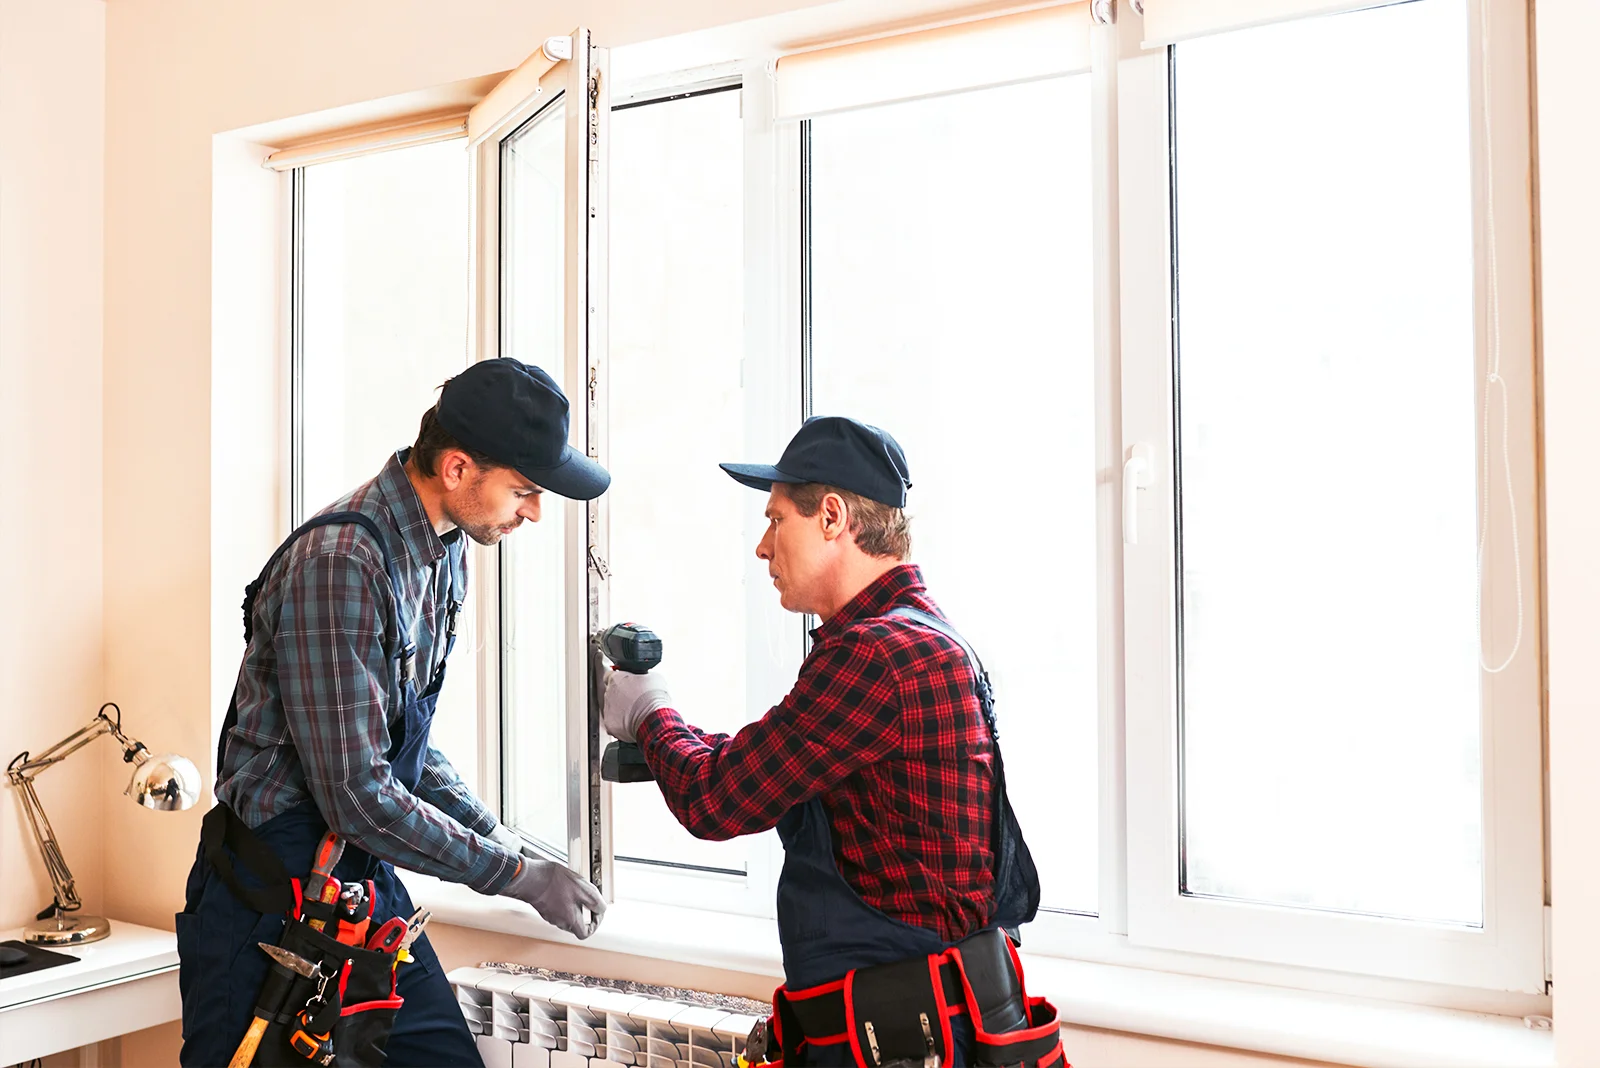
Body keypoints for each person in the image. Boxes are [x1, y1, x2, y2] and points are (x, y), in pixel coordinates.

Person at [178, 358, 609, 1068]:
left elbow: (405, 746)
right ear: (458, 468)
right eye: (524, 490)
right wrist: (514, 877)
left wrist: (505, 842)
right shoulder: (342, 562)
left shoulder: (443, 553)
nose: (533, 511)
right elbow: (358, 794)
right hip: (268, 899)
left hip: (356, 885)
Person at [601, 416, 1066, 1068]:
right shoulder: (921, 638)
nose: (763, 547)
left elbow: (717, 800)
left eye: (775, 520)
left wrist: (649, 711)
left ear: (831, 517)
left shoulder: (875, 655)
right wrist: (667, 737)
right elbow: (769, 762)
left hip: (907, 1034)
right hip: (923, 1022)